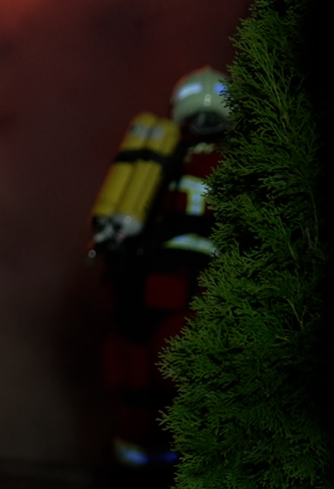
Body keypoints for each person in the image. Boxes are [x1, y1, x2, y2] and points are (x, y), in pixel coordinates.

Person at [88, 67, 230, 484]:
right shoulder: (238, 165)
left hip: (138, 295)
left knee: (136, 394)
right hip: (199, 298)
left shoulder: (154, 160)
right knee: (196, 400)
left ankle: (128, 471)